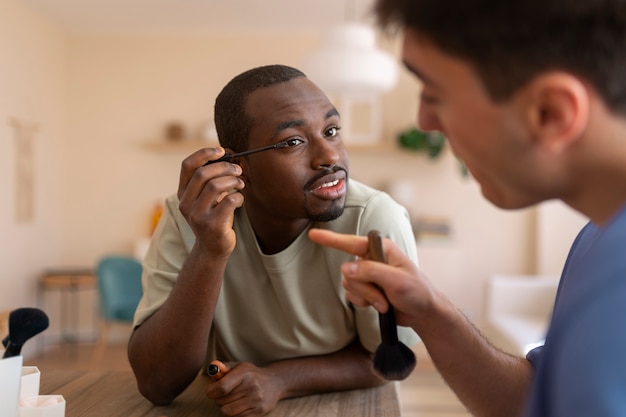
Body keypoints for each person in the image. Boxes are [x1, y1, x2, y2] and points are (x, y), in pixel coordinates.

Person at [308, 1, 626, 416]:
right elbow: (535, 401)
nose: (424, 122)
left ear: (550, 113)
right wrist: (431, 311)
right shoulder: (597, 241)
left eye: (434, 95)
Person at [127, 64, 419, 416]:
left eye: (331, 130)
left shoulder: (372, 219)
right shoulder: (191, 216)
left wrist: (279, 379)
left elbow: (389, 360)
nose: (329, 157)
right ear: (236, 166)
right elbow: (157, 383)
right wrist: (209, 250)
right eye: (293, 141)